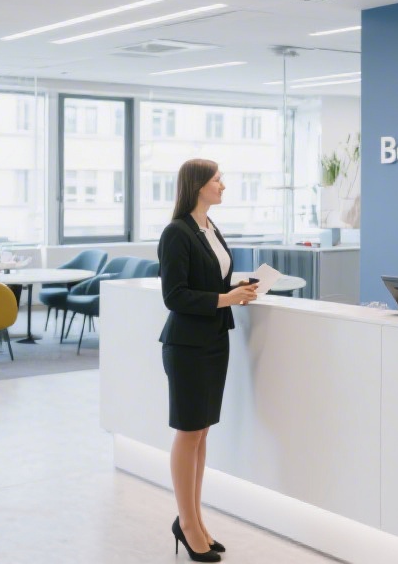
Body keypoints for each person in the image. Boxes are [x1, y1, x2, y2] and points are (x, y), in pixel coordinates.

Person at [158, 159, 258, 562]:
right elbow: (175, 295)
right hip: (186, 346)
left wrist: (238, 287)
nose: (223, 185)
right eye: (218, 179)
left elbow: (210, 280)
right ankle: (186, 523)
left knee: (201, 434)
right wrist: (224, 299)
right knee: (188, 432)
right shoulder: (176, 232)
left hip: (215, 339)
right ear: (198, 185)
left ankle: (194, 520)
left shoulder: (210, 229)